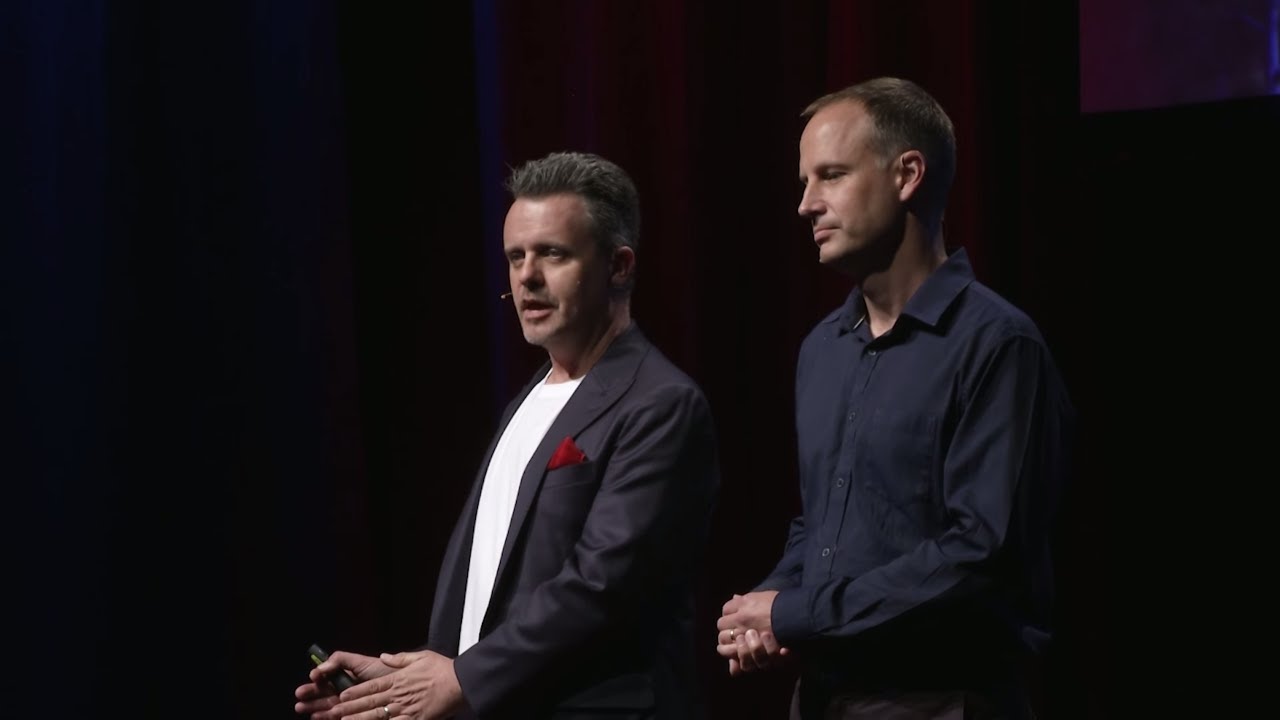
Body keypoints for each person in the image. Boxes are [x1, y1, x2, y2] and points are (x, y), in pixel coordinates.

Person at [296, 152, 719, 719]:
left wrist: (461, 678)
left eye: (553, 254)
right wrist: (411, 675)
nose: (527, 276)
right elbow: (492, 592)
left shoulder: (662, 403)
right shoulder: (527, 399)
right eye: (515, 256)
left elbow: (601, 587)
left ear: (618, 266)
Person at [716, 77, 1074, 719]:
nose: (806, 205)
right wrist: (767, 604)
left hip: (939, 700)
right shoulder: (823, 347)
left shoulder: (997, 345)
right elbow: (826, 522)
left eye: (829, 176)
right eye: (805, 182)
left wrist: (798, 613)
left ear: (907, 174)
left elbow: (979, 557)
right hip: (824, 698)